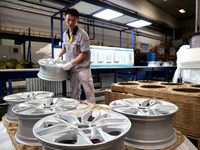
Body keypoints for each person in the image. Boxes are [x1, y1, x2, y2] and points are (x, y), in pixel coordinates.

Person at [57, 8, 96, 103]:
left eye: (73, 20)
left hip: (83, 68)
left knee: (88, 90)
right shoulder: (65, 34)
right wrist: (58, 56)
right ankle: (75, 109)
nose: (70, 23)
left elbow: (84, 53)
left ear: (77, 20)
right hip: (73, 69)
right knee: (74, 91)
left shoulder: (83, 35)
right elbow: (65, 48)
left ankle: (93, 109)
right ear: (64, 19)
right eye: (68, 20)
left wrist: (71, 63)